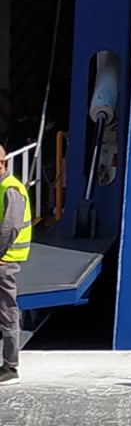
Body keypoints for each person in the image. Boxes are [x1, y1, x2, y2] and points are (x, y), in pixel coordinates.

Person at [0, 145, 31, 385]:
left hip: (5, 261)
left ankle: (10, 368)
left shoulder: (10, 188)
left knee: (7, 310)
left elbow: (10, 227)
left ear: (2, 163)